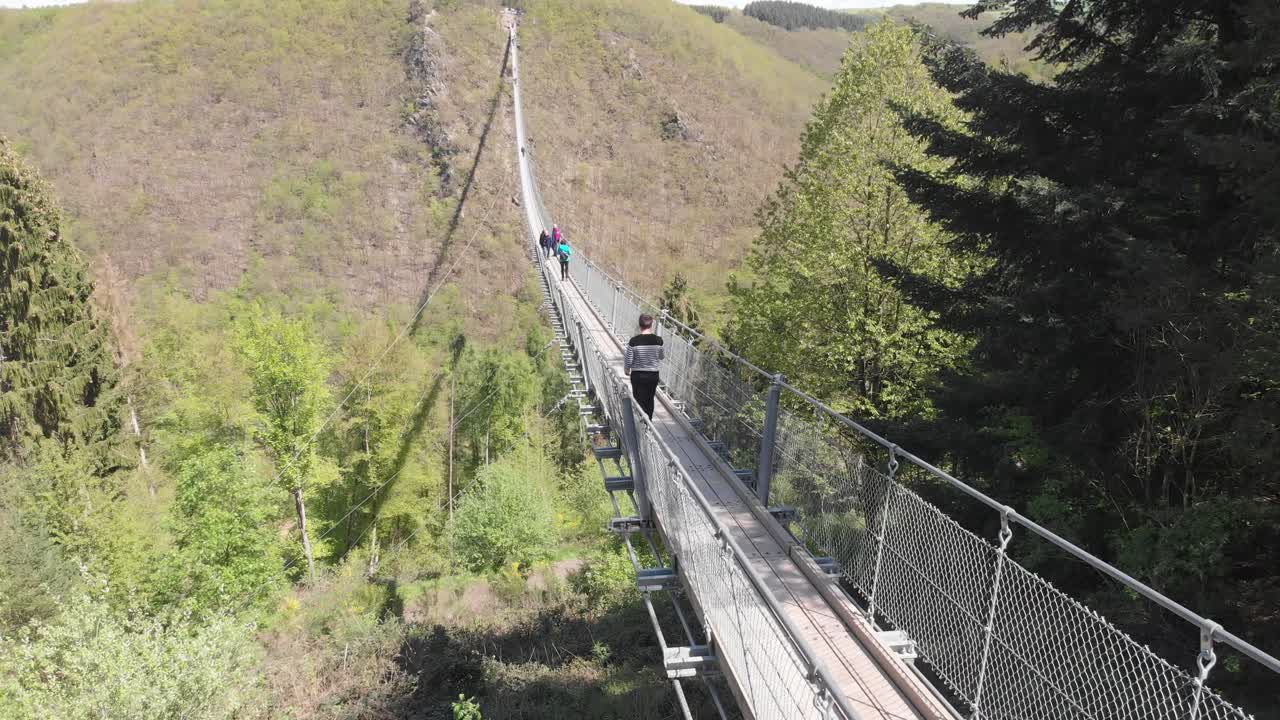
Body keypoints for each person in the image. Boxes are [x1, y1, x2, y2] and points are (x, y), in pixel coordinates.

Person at [624, 314, 664, 419]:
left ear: (640, 325)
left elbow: (628, 359)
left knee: (638, 400)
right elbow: (661, 356)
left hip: (638, 375)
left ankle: (641, 422)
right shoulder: (659, 341)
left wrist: (627, 369)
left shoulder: (633, 341)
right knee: (650, 399)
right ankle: (648, 422)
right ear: (651, 325)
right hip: (653, 375)